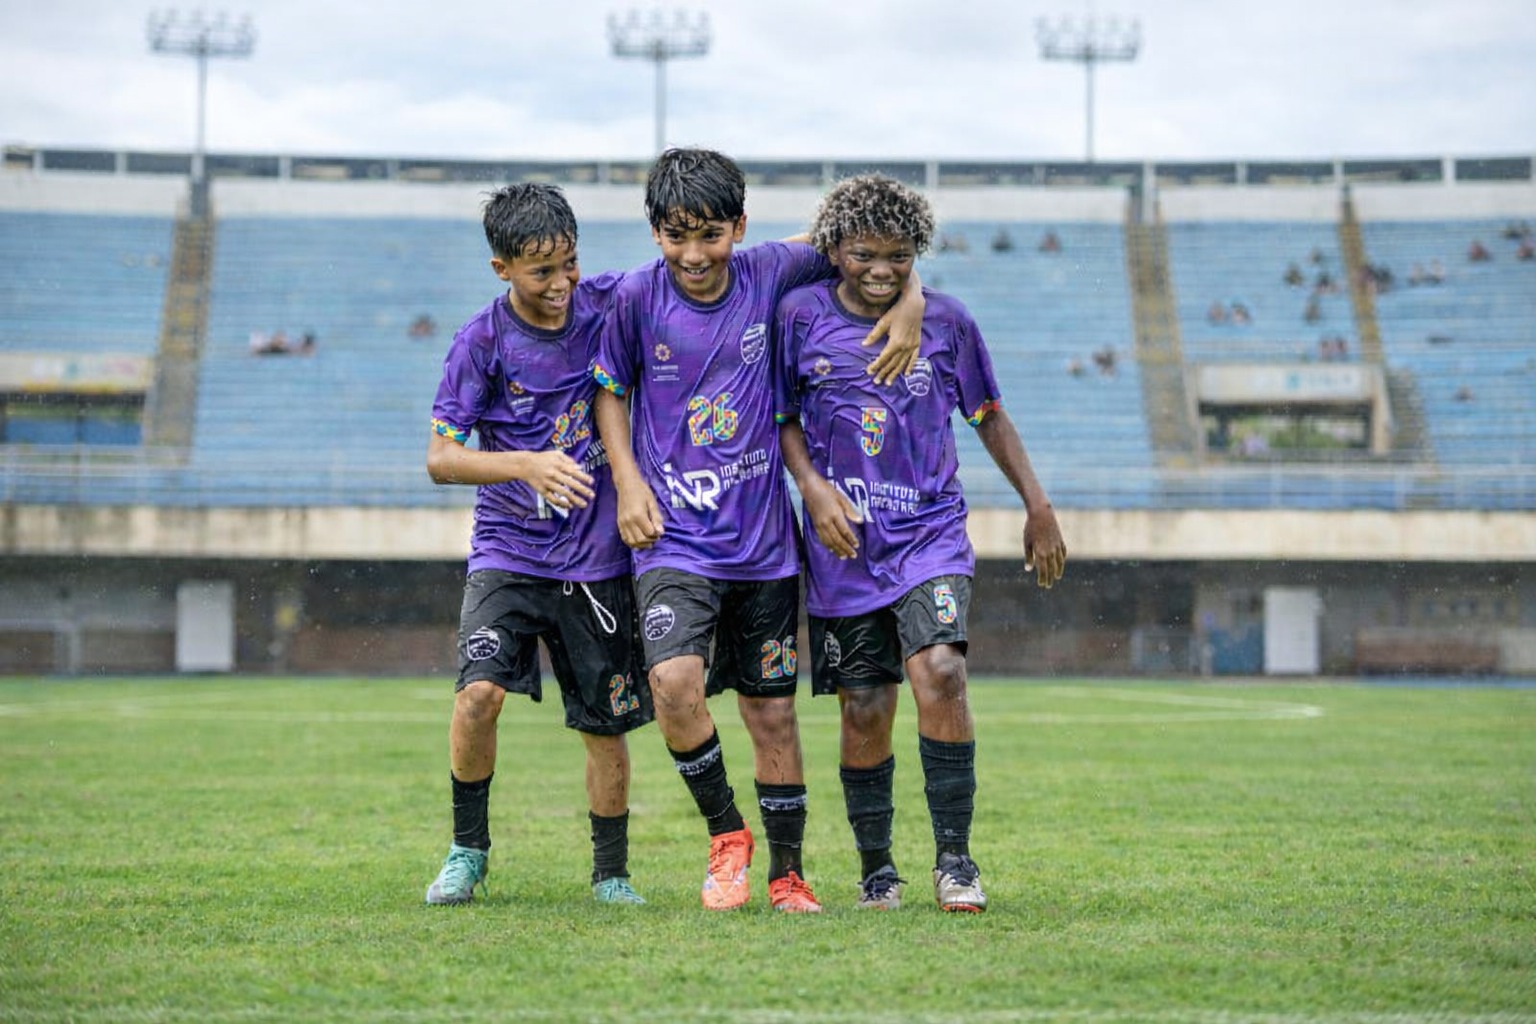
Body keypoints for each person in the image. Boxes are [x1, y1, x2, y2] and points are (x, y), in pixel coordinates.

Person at [592, 147, 924, 913]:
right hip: (673, 538)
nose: (695, 254)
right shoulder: (635, 298)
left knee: (771, 713)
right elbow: (609, 391)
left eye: (710, 235)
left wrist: (912, 297)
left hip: (764, 546)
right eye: (677, 236)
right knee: (673, 684)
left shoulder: (772, 270)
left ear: (739, 227)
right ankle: (726, 834)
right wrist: (628, 483)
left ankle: (787, 875)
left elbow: (867, 249)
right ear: (654, 232)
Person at [775, 173, 1067, 912]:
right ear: (834, 250)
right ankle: (878, 871)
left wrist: (1037, 505)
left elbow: (988, 414)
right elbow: (781, 417)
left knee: (942, 671)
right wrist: (812, 487)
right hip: (844, 545)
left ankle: (956, 861)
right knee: (866, 703)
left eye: (899, 257)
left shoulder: (949, 322)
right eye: (864, 254)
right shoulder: (798, 316)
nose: (881, 270)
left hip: (929, 536)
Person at [423, 182, 655, 907]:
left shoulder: (607, 304)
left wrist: (895, 288)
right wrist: (526, 464)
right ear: (502, 269)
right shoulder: (481, 341)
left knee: (604, 725)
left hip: (595, 559)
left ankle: (611, 874)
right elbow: (441, 458)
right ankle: (467, 853)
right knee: (478, 697)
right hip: (509, 554)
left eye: (569, 264)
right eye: (541, 272)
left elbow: (713, 265)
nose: (561, 284)